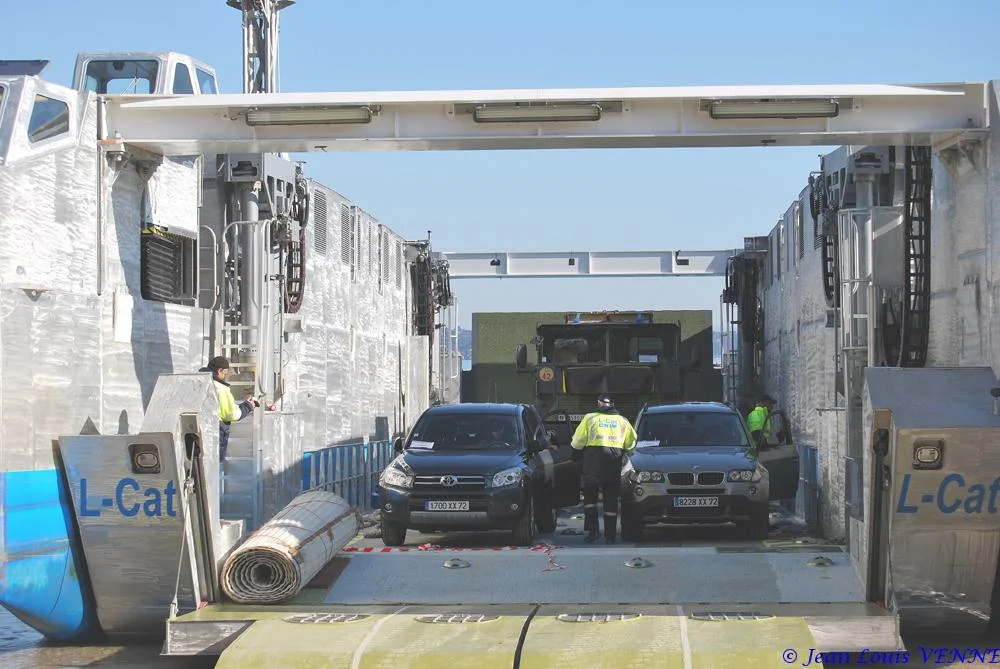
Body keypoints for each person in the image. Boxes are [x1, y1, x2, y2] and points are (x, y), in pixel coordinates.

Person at [570, 395, 637, 544]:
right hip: (613, 466)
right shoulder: (622, 421)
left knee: (590, 501)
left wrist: (574, 458)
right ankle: (610, 536)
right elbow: (632, 445)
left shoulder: (590, 419)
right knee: (611, 502)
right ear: (612, 404)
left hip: (592, 467)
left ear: (598, 404)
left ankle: (592, 533)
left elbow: (577, 442)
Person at [205, 356, 258, 462]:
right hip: (217, 434)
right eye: (225, 373)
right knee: (215, 468)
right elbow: (231, 414)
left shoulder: (201, 381)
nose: (225, 376)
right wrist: (249, 406)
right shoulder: (221, 389)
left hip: (203, 432)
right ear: (219, 371)